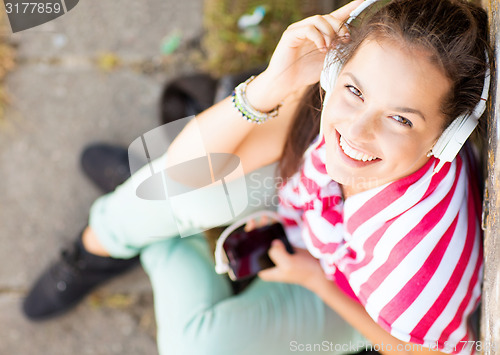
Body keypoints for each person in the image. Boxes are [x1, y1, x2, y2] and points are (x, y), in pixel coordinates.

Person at [23, 0, 490, 354]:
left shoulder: (412, 272)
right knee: (178, 188)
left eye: (401, 120)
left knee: (196, 345)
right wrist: (274, 83)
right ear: (334, 71)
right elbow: (184, 171)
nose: (357, 130)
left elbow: (412, 349)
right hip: (306, 211)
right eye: (353, 90)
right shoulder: (332, 112)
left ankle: (155, 236)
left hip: (349, 293)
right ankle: (96, 248)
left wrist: (315, 280)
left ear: (445, 140)